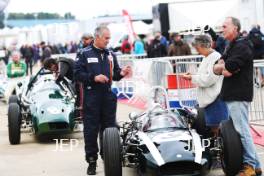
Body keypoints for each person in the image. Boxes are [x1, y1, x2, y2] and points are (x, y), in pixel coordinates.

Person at [74, 25, 132, 175]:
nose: (108, 41)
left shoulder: (111, 54)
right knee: (91, 130)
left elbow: (116, 74)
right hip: (91, 97)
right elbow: (77, 74)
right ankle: (92, 161)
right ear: (97, 37)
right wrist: (94, 78)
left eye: (109, 38)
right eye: (106, 38)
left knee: (109, 128)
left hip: (108, 96)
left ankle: (108, 156)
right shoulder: (84, 53)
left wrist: (123, 73)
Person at [213, 17, 262, 176]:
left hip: (238, 95)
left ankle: (249, 167)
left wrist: (223, 67)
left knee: (242, 131)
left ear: (235, 28)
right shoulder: (231, 45)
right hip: (232, 95)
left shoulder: (243, 45)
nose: (222, 29)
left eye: (225, 26)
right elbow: (218, 67)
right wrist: (222, 67)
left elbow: (229, 69)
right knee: (242, 130)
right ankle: (257, 166)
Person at [182, 34, 228, 136]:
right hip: (210, 98)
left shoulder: (215, 57)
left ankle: (221, 149)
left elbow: (209, 79)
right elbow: (205, 75)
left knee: (218, 127)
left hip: (215, 98)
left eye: (197, 48)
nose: (197, 51)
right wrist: (193, 75)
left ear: (202, 46)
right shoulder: (207, 57)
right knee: (213, 127)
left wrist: (192, 78)